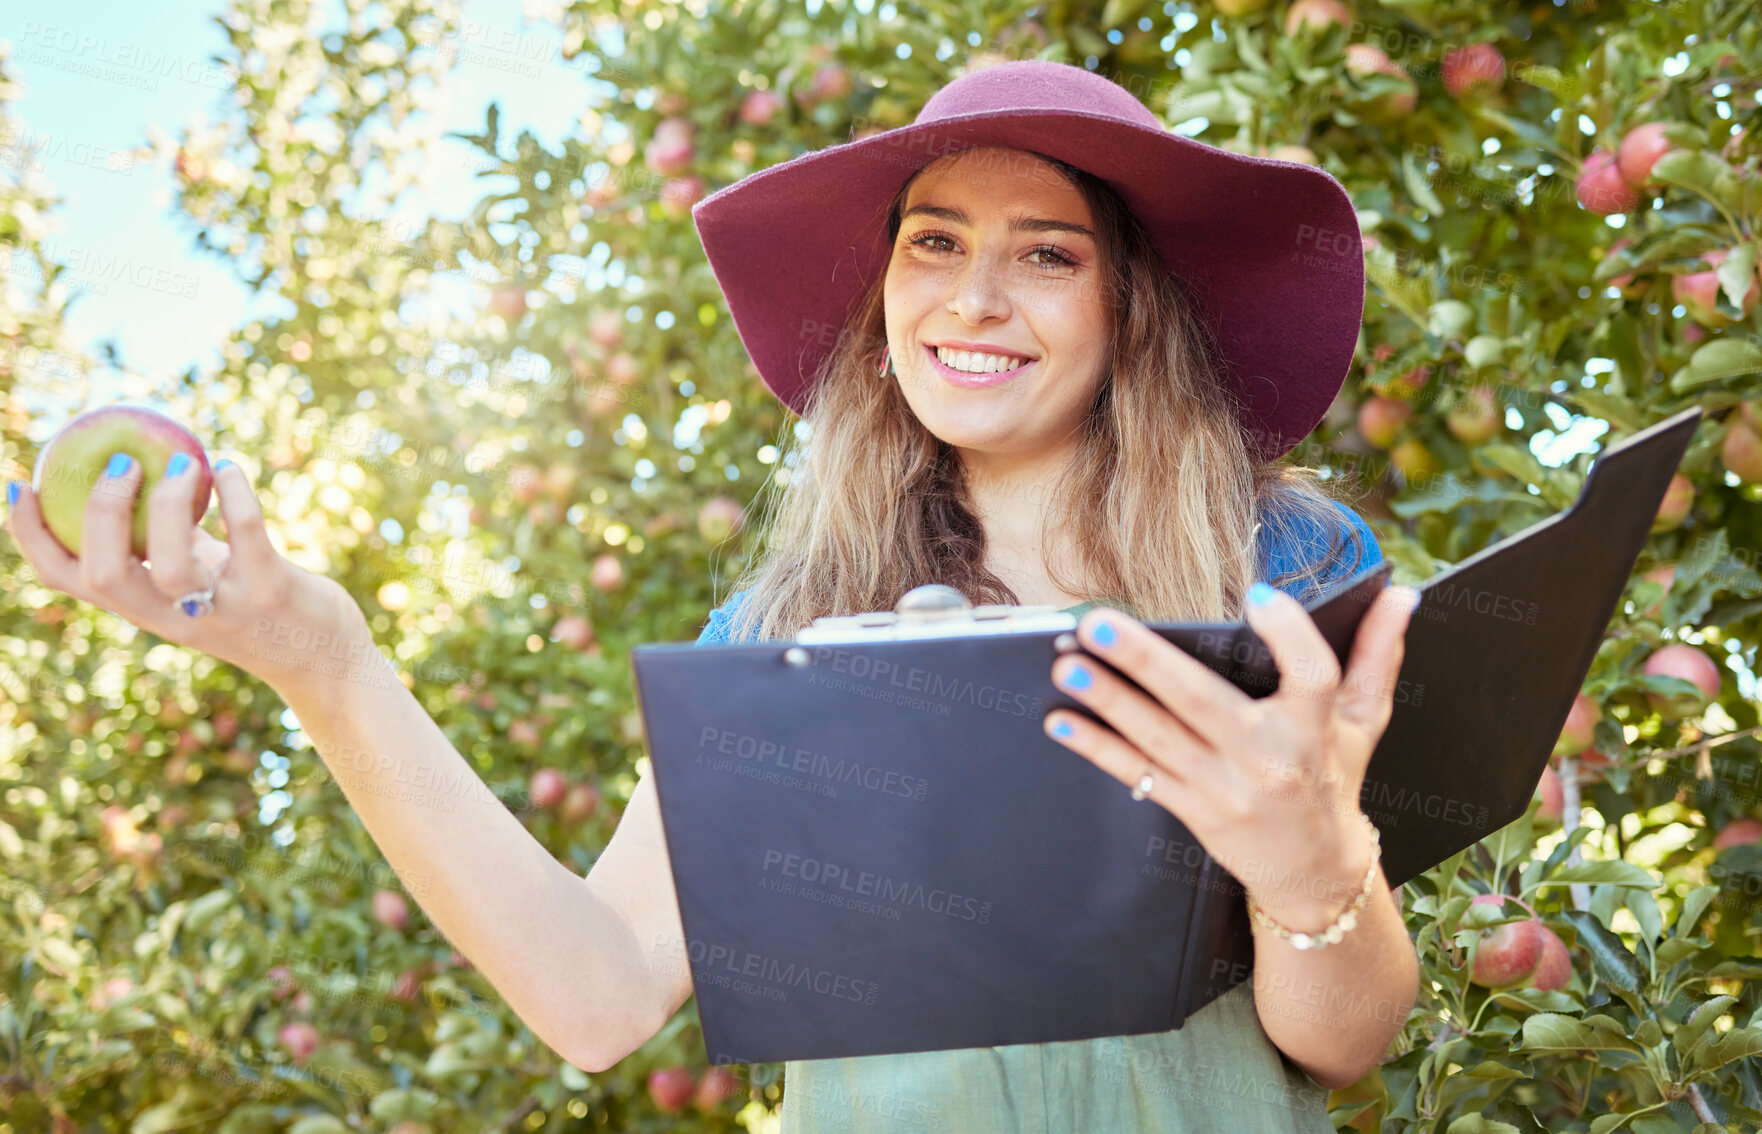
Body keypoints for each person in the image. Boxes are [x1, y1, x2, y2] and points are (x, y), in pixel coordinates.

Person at [4, 57, 1421, 1133]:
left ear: (1129, 307)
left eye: (1045, 253)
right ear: (883, 294)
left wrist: (1308, 870)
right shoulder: (791, 631)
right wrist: (323, 658)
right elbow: (598, 988)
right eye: (931, 242)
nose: (972, 299)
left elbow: (1342, 1038)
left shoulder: (1279, 575)